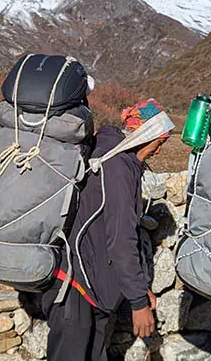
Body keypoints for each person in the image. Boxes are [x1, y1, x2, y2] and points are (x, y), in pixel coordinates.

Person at [41, 98, 171, 361]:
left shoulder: (107, 152)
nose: (158, 151)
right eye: (159, 143)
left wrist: (137, 284)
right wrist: (138, 302)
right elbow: (121, 240)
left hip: (83, 280)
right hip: (76, 285)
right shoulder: (118, 168)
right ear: (146, 136)